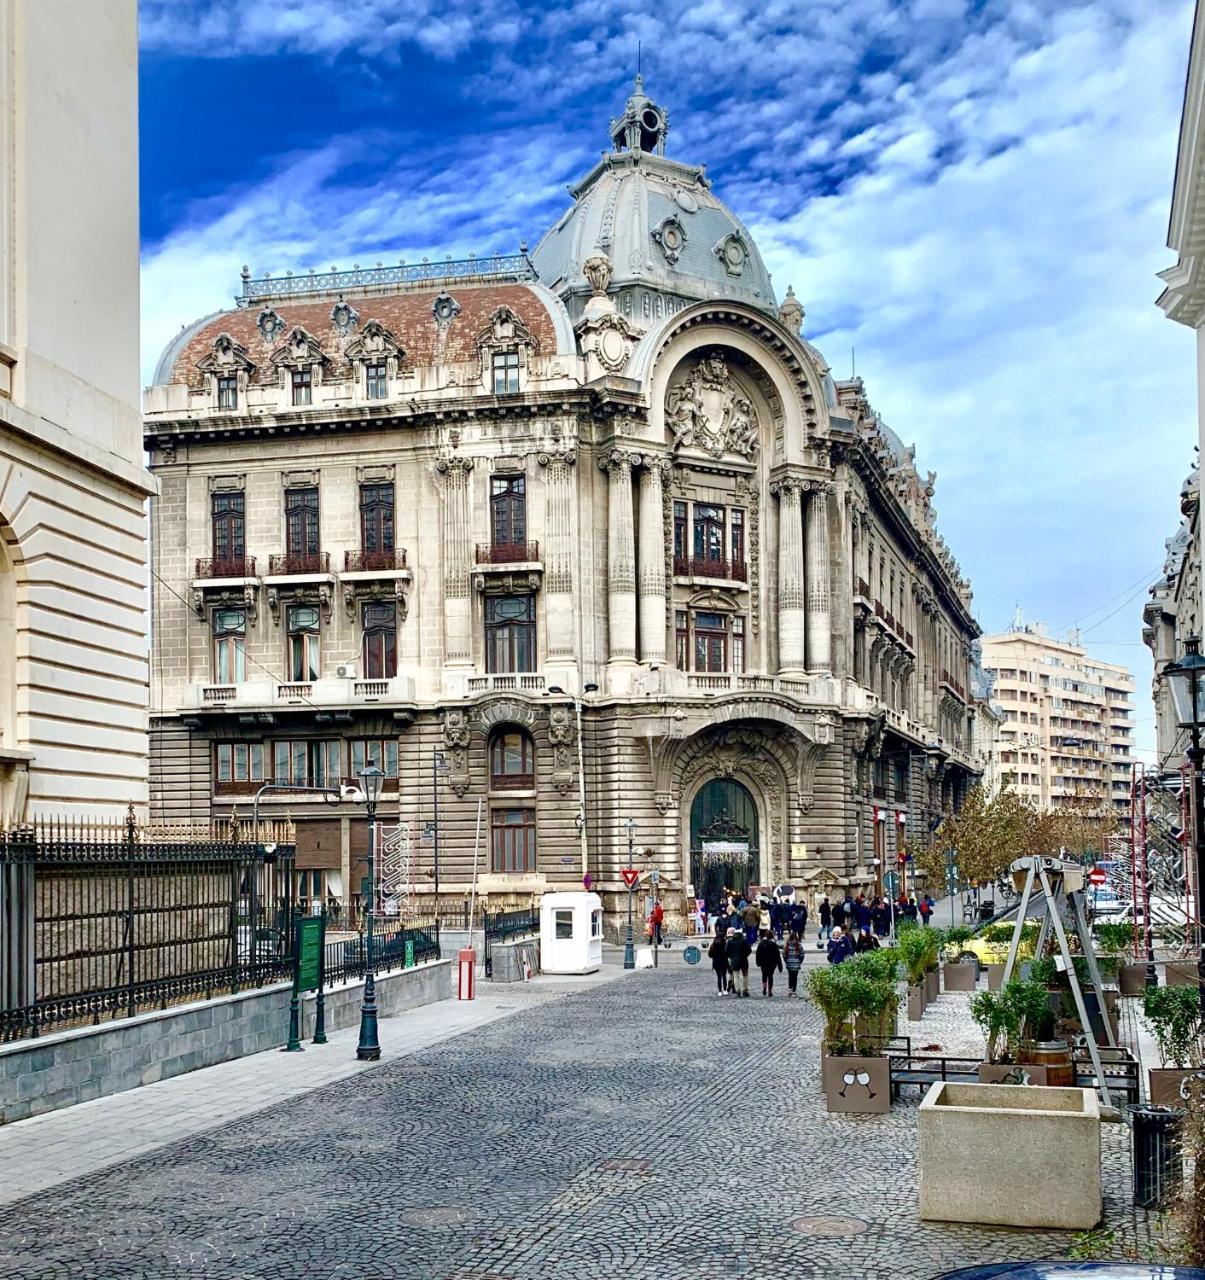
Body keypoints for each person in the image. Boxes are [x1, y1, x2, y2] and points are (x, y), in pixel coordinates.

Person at [725, 923, 752, 997]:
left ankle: (738, 991)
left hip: (734, 960)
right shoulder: (744, 940)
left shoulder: (730, 941)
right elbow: (749, 950)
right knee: (745, 975)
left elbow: (726, 951)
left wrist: (731, 956)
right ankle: (745, 990)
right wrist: (745, 955)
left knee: (736, 975)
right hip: (743, 959)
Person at [756, 930, 783, 997]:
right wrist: (780, 966)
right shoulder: (773, 944)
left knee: (764, 975)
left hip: (763, 962)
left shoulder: (761, 943)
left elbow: (758, 954)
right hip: (772, 963)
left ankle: (764, 987)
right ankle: (770, 991)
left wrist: (758, 962)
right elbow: (777, 955)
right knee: (770, 976)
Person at [709, 925, 730, 995]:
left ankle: (720, 991)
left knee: (719, 977)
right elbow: (727, 952)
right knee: (724, 976)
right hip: (724, 961)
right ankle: (725, 990)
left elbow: (710, 954)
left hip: (716, 962)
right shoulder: (725, 944)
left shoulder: (713, 944)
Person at [783, 930, 805, 996]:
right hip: (796, 963)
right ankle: (794, 991)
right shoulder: (798, 945)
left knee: (790, 977)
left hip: (789, 963)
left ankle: (790, 990)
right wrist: (800, 961)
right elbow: (802, 954)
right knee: (795, 978)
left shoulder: (787, 945)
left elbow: (784, 954)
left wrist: (786, 960)